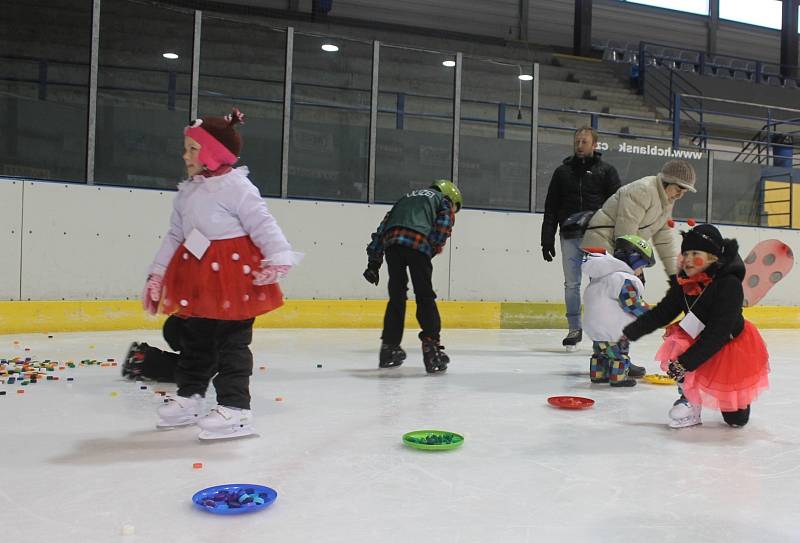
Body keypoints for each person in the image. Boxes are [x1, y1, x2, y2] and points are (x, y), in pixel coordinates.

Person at [142, 107, 300, 440]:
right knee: (195, 339)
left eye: (192, 149)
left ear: (213, 152)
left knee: (232, 343)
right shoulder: (188, 192)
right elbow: (175, 235)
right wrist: (157, 274)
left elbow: (262, 223)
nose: (185, 155)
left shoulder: (236, 187)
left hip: (233, 277)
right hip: (199, 277)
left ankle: (236, 409)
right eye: (186, 148)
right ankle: (191, 397)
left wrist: (278, 256)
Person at [622, 224, 770, 428]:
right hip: (697, 339)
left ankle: (735, 405)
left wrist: (685, 363)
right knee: (678, 345)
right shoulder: (685, 283)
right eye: (685, 253)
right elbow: (663, 312)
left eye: (695, 253)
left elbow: (717, 334)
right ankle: (689, 401)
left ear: (713, 256)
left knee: (736, 420)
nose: (688, 259)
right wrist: (631, 331)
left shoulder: (729, 285)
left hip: (728, 345)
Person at [363, 180, 461, 374]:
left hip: (392, 244)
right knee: (424, 296)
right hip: (418, 243)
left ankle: (389, 349)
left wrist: (374, 262)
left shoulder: (405, 199)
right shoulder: (444, 200)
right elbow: (444, 224)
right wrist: (432, 247)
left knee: (397, 297)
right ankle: (432, 349)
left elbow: (383, 227)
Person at [541, 127, 621, 350]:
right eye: (577, 141)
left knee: (599, 283)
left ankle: (599, 329)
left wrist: (618, 237)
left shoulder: (606, 171)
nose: (579, 145)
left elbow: (617, 206)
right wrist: (546, 239)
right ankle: (574, 328)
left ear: (595, 145)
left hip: (598, 236)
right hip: (569, 237)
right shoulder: (562, 173)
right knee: (572, 284)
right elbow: (551, 208)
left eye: (584, 142)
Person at [582, 235, 654, 387]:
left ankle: (598, 374)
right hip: (613, 332)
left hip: (595, 329)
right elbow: (632, 304)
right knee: (618, 355)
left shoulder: (601, 276)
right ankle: (618, 378)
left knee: (600, 353)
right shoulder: (624, 279)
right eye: (642, 266)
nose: (641, 272)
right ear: (635, 260)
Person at [121, 315, 185, 383]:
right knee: (191, 372)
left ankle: (147, 360)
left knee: (191, 368)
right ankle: (146, 361)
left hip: (180, 324)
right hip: (184, 327)